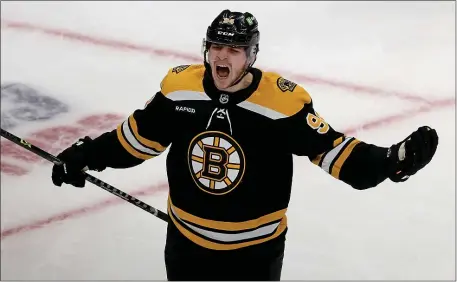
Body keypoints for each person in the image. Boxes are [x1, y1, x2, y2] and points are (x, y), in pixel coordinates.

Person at [51, 9, 439, 281]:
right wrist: (87, 154)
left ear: (250, 56)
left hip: (255, 255)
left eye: (234, 50)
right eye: (216, 47)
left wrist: (388, 163)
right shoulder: (179, 88)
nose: (222, 56)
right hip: (186, 243)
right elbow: (136, 139)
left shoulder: (282, 103)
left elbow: (333, 151)